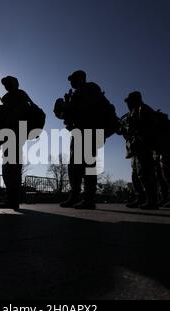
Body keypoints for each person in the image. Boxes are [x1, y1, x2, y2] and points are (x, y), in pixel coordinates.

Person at [55, 70, 106, 210]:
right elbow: (69, 115)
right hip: (78, 132)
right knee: (73, 165)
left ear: (80, 78)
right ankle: (75, 196)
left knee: (89, 166)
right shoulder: (75, 94)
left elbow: (88, 107)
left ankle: (89, 199)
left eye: (73, 79)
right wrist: (62, 109)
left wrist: (69, 105)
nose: (70, 82)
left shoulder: (91, 88)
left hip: (90, 129)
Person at [0, 76, 30, 210]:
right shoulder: (13, 98)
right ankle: (11, 199)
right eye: (5, 85)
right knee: (10, 168)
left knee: (11, 169)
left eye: (8, 84)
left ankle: (12, 200)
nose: (6, 86)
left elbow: (12, 119)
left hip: (13, 135)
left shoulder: (18, 97)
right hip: (12, 135)